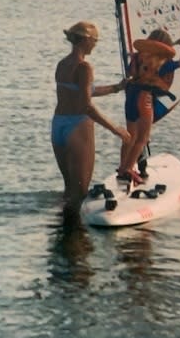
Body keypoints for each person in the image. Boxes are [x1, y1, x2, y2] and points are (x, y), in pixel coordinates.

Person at [52, 21, 131, 219]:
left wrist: (117, 88)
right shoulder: (84, 67)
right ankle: (76, 244)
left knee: (69, 190)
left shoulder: (62, 65)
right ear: (86, 41)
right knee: (79, 193)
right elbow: (86, 105)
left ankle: (64, 235)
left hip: (58, 126)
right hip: (77, 126)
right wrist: (116, 129)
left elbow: (84, 92)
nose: (95, 45)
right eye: (95, 41)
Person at [118, 29, 180, 185]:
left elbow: (131, 72)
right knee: (143, 138)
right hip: (145, 98)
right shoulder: (163, 61)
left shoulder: (137, 57)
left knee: (130, 136)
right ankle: (129, 168)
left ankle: (122, 168)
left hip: (130, 95)